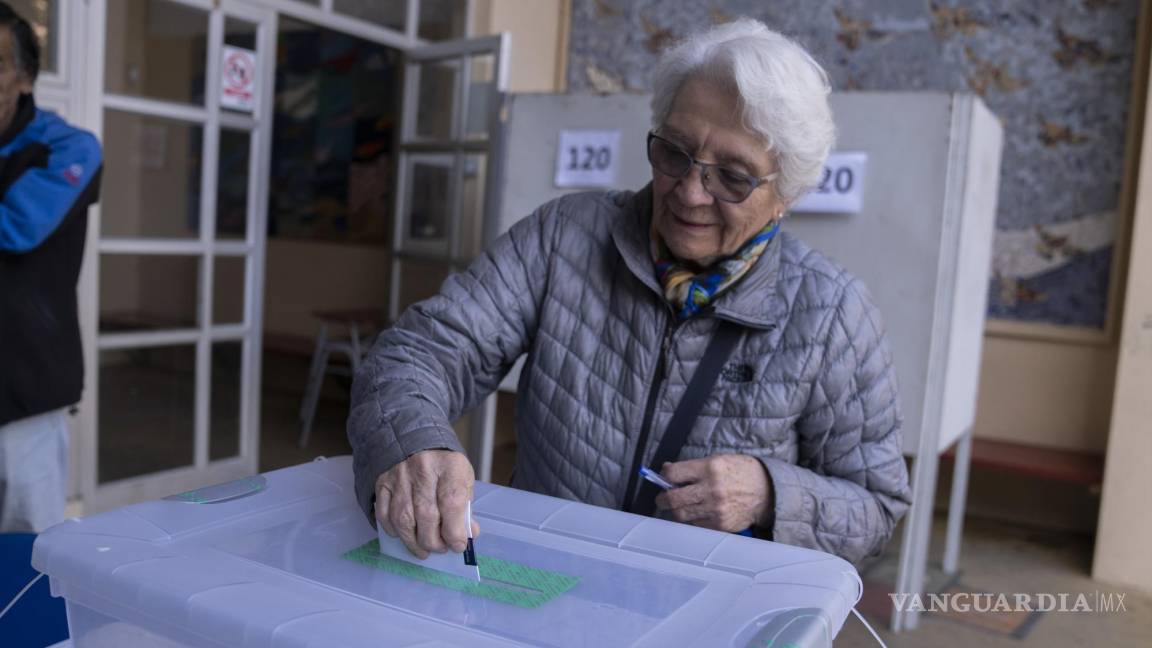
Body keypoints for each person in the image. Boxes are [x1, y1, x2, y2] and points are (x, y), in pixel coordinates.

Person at [349, 18, 910, 565]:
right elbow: (421, 351)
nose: (690, 193)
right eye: (674, 152)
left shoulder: (833, 313)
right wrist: (413, 442)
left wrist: (770, 494)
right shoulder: (565, 235)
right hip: (547, 581)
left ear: (787, 192)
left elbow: (876, 506)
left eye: (733, 176)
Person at [0, 3, 102, 532]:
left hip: (23, 394)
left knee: (25, 554)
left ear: (24, 77)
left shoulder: (68, 148)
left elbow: (16, 227)